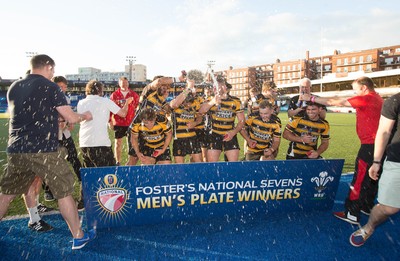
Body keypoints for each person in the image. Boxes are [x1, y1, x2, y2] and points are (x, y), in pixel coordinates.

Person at [0, 54, 96, 249]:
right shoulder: (50, 87)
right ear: (49, 67)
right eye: (52, 70)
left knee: (6, 193)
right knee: (64, 191)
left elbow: (28, 116)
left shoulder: (14, 87)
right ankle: (78, 235)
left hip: (17, 149)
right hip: (43, 150)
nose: (53, 74)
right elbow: (70, 117)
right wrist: (84, 115)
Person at [301, 76, 383, 225]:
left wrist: (311, 98)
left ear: (364, 88)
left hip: (370, 145)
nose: (355, 93)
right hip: (379, 145)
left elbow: (337, 102)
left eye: (356, 90)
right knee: (372, 178)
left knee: (360, 178)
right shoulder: (377, 97)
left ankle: (352, 213)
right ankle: (367, 205)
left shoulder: (367, 98)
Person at [349, 92, 400, 247]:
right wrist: (376, 161)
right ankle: (369, 227)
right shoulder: (395, 100)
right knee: (388, 208)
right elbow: (384, 132)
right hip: (397, 160)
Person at [77, 80, 133, 168]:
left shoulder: (81, 103)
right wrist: (127, 103)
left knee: (90, 174)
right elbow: (123, 114)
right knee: (110, 175)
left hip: (84, 143)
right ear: (100, 90)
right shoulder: (105, 101)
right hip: (101, 143)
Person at [52, 76, 84, 209]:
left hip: (65, 135)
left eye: (65, 87)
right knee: (52, 163)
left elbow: (68, 116)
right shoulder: (48, 98)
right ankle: (50, 190)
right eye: (61, 87)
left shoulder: (65, 98)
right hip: (53, 137)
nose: (63, 90)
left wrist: (69, 123)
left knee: (74, 158)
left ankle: (82, 182)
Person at [199, 76, 245, 162]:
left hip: (230, 134)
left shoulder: (235, 101)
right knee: (212, 165)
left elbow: (242, 121)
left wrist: (233, 132)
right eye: (216, 86)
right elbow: (201, 111)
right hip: (214, 135)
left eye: (221, 86)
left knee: (233, 165)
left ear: (225, 87)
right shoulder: (210, 99)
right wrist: (213, 102)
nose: (218, 89)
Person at [109, 77, 139, 166]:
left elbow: (139, 107)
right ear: (119, 84)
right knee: (118, 143)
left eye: (126, 83)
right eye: (123, 84)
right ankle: (117, 162)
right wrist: (110, 120)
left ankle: (130, 162)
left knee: (131, 143)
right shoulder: (114, 95)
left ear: (128, 84)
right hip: (119, 123)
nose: (125, 85)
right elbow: (110, 109)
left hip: (131, 122)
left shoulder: (133, 95)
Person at [171, 91, 203, 163]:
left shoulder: (194, 105)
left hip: (192, 137)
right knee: (179, 167)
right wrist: (187, 89)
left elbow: (200, 117)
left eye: (190, 102)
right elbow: (173, 105)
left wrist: (195, 123)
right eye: (187, 102)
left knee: (199, 163)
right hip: (179, 139)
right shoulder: (175, 104)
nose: (189, 105)